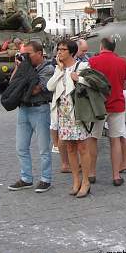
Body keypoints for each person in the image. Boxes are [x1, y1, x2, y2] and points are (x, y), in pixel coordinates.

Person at [8, 41, 54, 193]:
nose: (25, 58)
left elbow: (35, 90)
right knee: (21, 147)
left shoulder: (47, 68)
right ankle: (26, 178)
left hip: (40, 109)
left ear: (40, 53)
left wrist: (24, 73)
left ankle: (46, 178)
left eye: (28, 54)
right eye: (24, 54)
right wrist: (19, 67)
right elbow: (12, 84)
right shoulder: (26, 66)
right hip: (24, 109)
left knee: (43, 148)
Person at [47, 40, 91, 198]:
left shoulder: (82, 66)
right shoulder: (59, 68)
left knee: (82, 148)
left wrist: (78, 79)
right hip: (63, 114)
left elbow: (92, 83)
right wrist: (59, 70)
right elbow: (50, 87)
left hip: (78, 113)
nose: (59, 52)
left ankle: (86, 181)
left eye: (63, 49)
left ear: (71, 52)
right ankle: (75, 180)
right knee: (70, 148)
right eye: (58, 49)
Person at [87, 37, 126, 186]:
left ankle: (91, 173)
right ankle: (116, 176)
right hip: (117, 105)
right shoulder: (122, 62)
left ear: (101, 46)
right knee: (115, 140)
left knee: (93, 138)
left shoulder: (93, 62)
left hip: (98, 106)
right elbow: (124, 85)